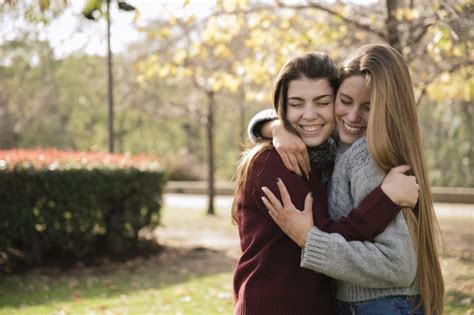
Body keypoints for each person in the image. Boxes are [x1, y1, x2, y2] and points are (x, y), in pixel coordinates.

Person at [250, 44, 444, 314]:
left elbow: (398, 265)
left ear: (388, 108)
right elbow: (303, 113)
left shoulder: (366, 155)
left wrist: (311, 241)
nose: (353, 116)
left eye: (369, 107)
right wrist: (274, 126)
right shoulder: (334, 147)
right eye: (345, 101)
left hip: (380, 306)